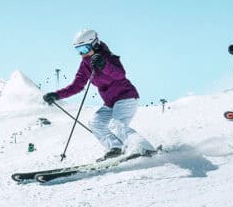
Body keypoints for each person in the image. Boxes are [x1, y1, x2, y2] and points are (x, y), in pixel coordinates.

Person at [43, 29, 155, 161]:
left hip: (126, 97)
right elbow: (76, 86)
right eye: (78, 50)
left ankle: (144, 147)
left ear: (95, 44)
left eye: (84, 49)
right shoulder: (85, 64)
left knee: (117, 124)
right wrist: (57, 95)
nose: (82, 53)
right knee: (96, 123)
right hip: (110, 103)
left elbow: (120, 74)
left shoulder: (108, 57)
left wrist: (104, 65)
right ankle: (115, 148)